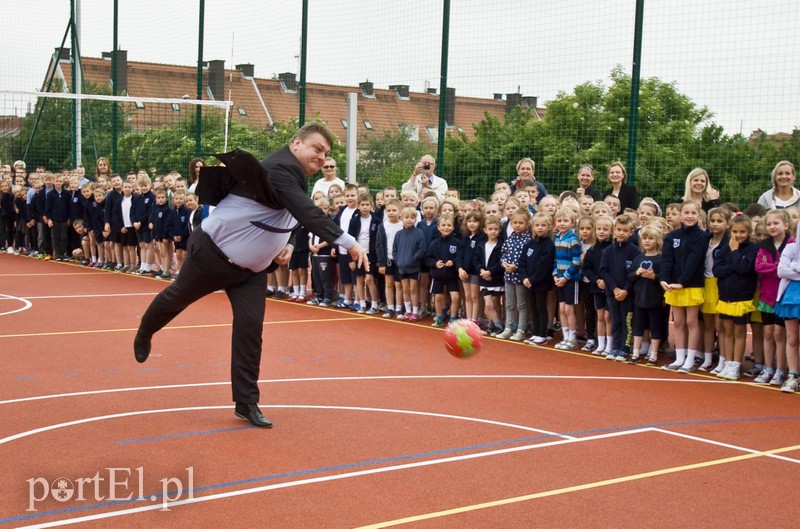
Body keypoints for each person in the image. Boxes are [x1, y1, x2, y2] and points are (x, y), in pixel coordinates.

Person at [133, 123, 368, 428]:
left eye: (326, 153)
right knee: (176, 298)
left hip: (252, 271)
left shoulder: (293, 176)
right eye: (317, 149)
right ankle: (145, 331)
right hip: (213, 257)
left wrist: (289, 242)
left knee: (250, 330)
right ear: (296, 144)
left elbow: (290, 216)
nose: (322, 157)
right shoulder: (281, 168)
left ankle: (246, 403)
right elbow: (304, 211)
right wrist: (348, 243)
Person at [660, 201, 709, 372]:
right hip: (673, 285)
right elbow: (666, 259)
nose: (689, 216)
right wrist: (663, 279)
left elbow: (694, 262)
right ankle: (679, 358)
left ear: (698, 215)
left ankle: (690, 358)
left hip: (691, 285)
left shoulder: (702, 237)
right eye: (686, 212)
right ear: (681, 215)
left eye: (693, 213)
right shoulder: (672, 236)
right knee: (678, 321)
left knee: (691, 321)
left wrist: (682, 282)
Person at [753, 209, 793, 385]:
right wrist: (778, 267)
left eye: (775, 223)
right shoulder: (764, 245)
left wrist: (775, 266)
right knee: (768, 333)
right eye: (769, 224)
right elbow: (759, 267)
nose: (772, 227)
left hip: (784, 296)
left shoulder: (792, 244)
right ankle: (768, 368)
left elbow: (790, 269)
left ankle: (780, 370)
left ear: (785, 225)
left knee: (780, 333)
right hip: (767, 296)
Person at [600, 214, 639, 360]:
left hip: (628, 294)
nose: (621, 233)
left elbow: (634, 273)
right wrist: (615, 288)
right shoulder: (607, 251)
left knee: (627, 321)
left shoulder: (635, 251)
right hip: (612, 293)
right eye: (618, 230)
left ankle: (625, 348)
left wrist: (625, 290)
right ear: (614, 231)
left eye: (625, 230)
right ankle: (615, 347)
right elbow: (604, 271)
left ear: (631, 232)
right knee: (615, 320)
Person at [520, 211, 555, 345]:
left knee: (541, 308)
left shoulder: (549, 245)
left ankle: (542, 334)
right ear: (533, 227)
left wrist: (533, 280)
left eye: (543, 225)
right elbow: (522, 262)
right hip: (528, 282)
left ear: (549, 227)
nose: (540, 228)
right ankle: (535, 333)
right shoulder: (529, 244)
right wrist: (525, 278)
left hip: (541, 283)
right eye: (537, 225)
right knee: (532, 308)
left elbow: (544, 265)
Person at [427, 213, 462, 327]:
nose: (446, 227)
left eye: (448, 225)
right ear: (438, 227)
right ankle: (439, 317)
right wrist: (435, 263)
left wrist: (453, 262)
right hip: (437, 275)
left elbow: (460, 257)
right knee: (437, 297)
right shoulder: (434, 243)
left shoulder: (457, 242)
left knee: (455, 297)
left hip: (452, 275)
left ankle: (453, 317)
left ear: (452, 227)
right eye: (443, 225)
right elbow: (428, 258)